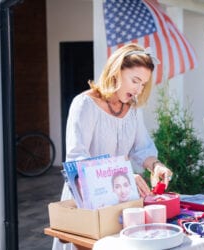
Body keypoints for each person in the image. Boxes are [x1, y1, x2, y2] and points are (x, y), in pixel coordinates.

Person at [53, 43, 173, 250]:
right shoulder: (84, 104)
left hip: (119, 202)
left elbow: (141, 149)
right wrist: (125, 175)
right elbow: (77, 161)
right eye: (135, 81)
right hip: (86, 204)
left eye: (143, 84)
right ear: (116, 71)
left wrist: (156, 166)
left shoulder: (133, 110)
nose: (138, 89)